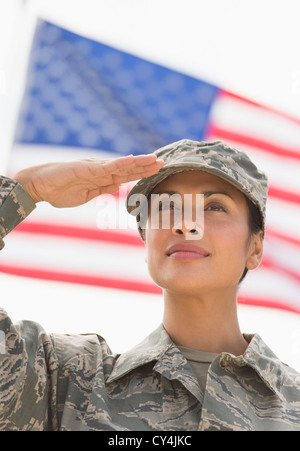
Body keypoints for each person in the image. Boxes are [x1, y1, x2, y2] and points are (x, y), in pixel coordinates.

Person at [0, 140, 299, 431]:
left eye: (214, 207)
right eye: (167, 205)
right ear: (147, 240)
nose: (186, 224)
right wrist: (27, 189)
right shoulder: (65, 381)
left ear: (255, 248)